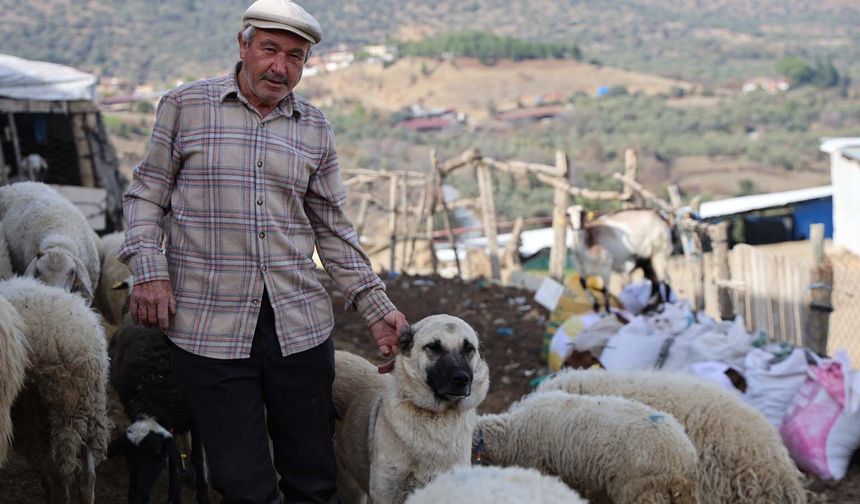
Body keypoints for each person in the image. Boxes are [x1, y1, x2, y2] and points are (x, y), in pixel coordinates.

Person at [118, 1, 407, 502]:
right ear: (243, 45)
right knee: (240, 481)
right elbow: (146, 196)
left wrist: (377, 308)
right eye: (270, 49)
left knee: (314, 477)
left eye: (295, 56)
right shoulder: (185, 106)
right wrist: (149, 271)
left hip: (299, 326)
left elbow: (333, 229)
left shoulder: (314, 128)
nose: (280, 66)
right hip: (209, 326)